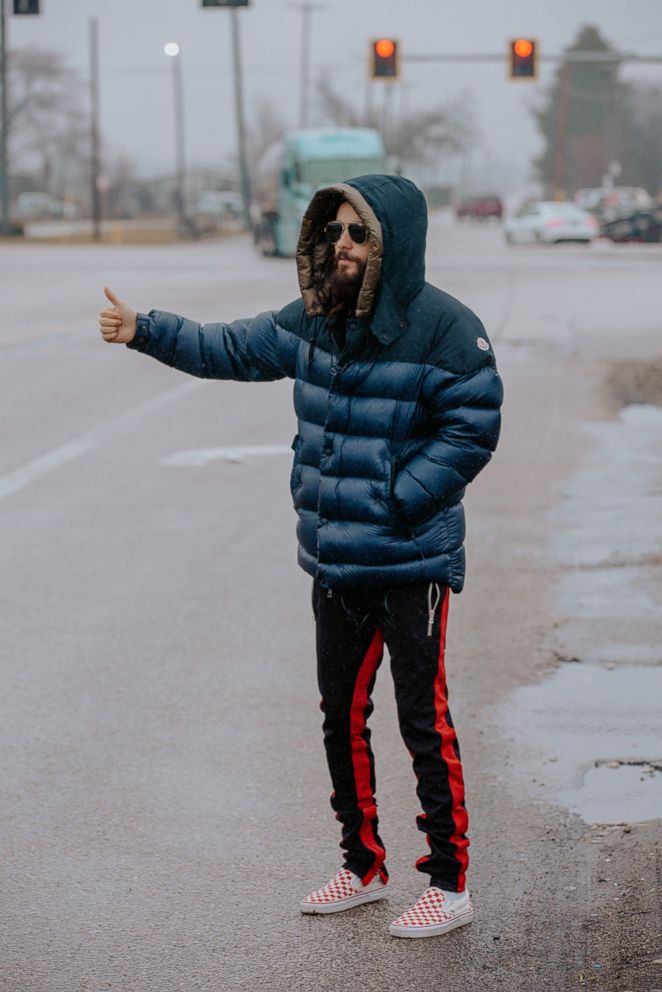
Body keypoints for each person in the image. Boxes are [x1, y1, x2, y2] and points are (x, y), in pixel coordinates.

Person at [98, 175, 503, 939]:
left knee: (424, 720)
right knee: (340, 719)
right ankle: (363, 865)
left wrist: (399, 497)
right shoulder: (314, 317)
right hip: (334, 561)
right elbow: (230, 346)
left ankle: (448, 883)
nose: (342, 245)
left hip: (409, 562)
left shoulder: (447, 328)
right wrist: (145, 329)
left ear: (392, 243)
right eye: (335, 232)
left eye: (358, 234)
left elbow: (474, 424)